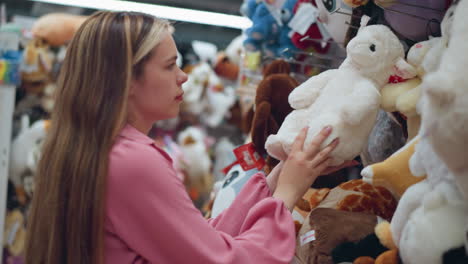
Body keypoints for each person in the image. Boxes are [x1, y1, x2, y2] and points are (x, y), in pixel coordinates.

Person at [25, 11, 348, 264]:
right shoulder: (133, 161)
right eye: (170, 66)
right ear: (127, 80)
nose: (183, 77)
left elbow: (195, 245)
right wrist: (288, 192)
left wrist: (281, 176)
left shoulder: (95, 149)